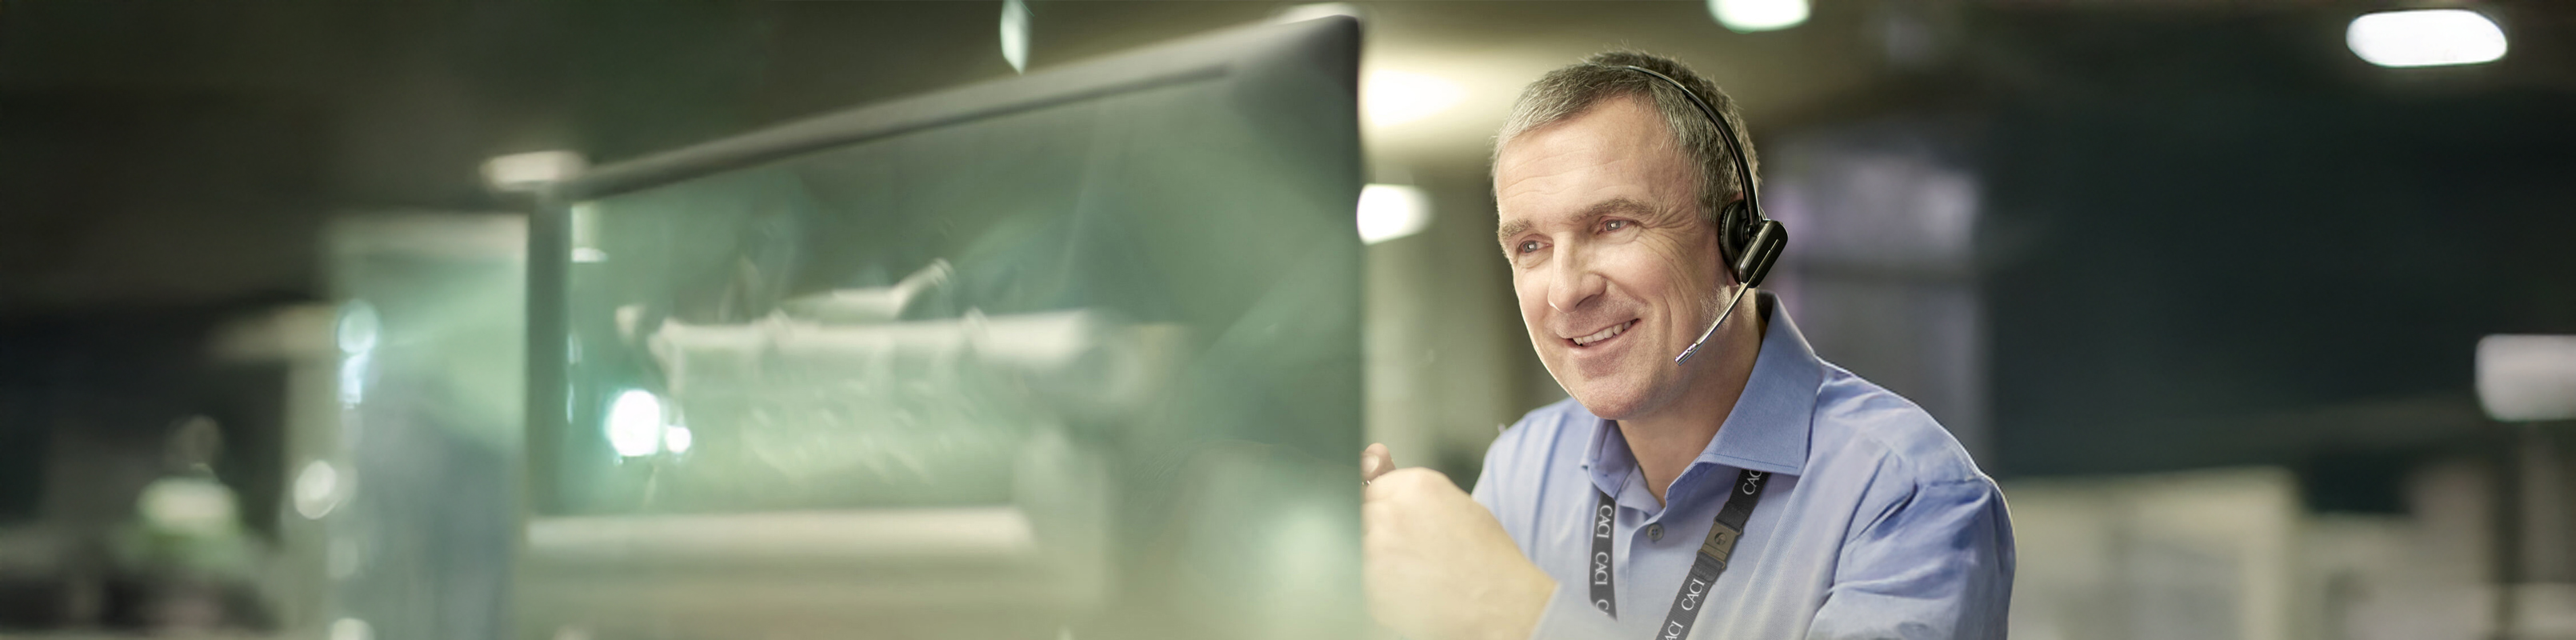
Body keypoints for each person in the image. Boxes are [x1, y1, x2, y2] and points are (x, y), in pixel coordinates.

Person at [1359, 51, 2014, 640]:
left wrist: (1521, 614)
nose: (1564, 291)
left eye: (1613, 224)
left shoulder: (1905, 494)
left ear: (1738, 241)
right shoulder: (1524, 466)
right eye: (1531, 246)